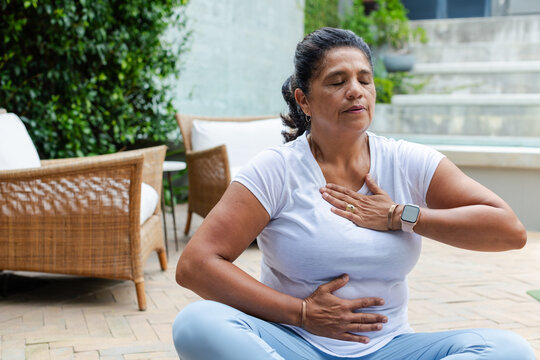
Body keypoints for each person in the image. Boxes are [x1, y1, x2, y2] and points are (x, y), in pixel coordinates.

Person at [172, 27, 535, 360]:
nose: (355, 90)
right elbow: (196, 265)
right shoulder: (277, 170)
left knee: (508, 350)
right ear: (305, 101)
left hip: (390, 347)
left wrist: (401, 216)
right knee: (196, 323)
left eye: (365, 79)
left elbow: (509, 231)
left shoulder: (406, 161)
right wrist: (301, 314)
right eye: (337, 81)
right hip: (291, 344)